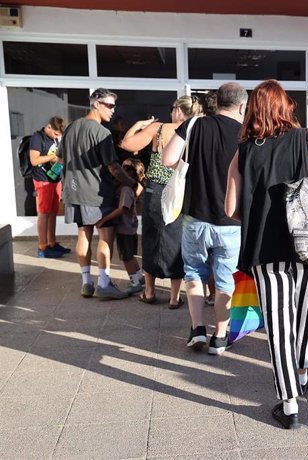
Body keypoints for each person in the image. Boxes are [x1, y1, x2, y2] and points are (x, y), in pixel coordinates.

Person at [224, 79, 308, 429]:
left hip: (266, 247)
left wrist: (259, 206)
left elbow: (231, 207)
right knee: (306, 311)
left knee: (278, 322)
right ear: (286, 107)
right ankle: (304, 369)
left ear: (253, 111)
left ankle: (289, 401)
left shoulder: (243, 150)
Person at [162, 83, 247, 356]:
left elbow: (168, 159)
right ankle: (220, 337)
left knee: (194, 272)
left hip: (195, 215)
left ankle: (197, 328)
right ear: (243, 106)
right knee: (225, 279)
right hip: (231, 220)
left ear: (217, 102)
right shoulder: (247, 134)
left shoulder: (195, 124)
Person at [57, 88, 141, 300]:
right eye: (110, 105)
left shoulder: (70, 128)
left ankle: (86, 282)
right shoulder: (101, 132)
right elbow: (113, 167)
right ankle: (104, 282)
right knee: (106, 236)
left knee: (83, 234)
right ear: (96, 103)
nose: (113, 111)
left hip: (74, 192)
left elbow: (59, 160)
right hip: (96, 193)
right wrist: (132, 183)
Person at [120, 95, 203, 308]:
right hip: (180, 192)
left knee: (150, 238)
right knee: (176, 242)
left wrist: (139, 125)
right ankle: (175, 297)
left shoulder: (158, 128)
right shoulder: (195, 132)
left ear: (178, 111)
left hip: (155, 190)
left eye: (173, 108)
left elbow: (127, 144)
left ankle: (149, 291)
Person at [95, 159, 146, 295]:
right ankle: (139, 278)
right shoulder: (125, 189)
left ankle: (135, 283)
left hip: (125, 228)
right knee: (130, 255)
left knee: (126, 256)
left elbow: (122, 208)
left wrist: (104, 219)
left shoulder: (125, 189)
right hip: (128, 228)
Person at [29, 116, 70, 258]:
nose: (58, 137)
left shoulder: (54, 139)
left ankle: (52, 243)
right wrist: (52, 157)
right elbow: (34, 160)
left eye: (60, 135)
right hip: (43, 180)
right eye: (56, 134)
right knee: (44, 213)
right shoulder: (37, 137)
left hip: (55, 178)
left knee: (53, 212)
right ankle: (42, 247)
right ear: (49, 127)